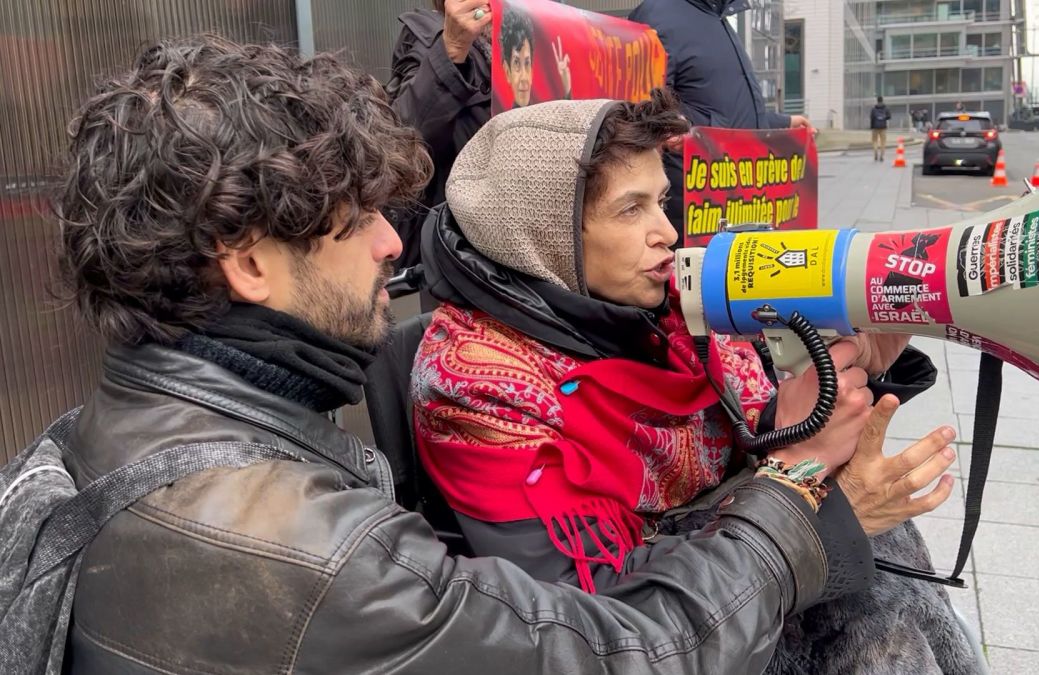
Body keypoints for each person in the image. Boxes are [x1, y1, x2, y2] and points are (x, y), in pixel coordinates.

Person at [51, 35, 906, 673]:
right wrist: (794, 494)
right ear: (248, 263)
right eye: (358, 220)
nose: (393, 243)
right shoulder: (312, 546)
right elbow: (609, 649)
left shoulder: (123, 431)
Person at [413, 91, 979, 672]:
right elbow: (585, 619)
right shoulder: (474, 381)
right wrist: (802, 478)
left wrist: (847, 373)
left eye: (661, 201)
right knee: (865, 569)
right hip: (658, 636)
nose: (667, 231)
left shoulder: (660, 308)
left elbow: (754, 431)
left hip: (730, 575)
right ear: (543, 235)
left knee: (874, 535)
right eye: (630, 210)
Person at [627, 0, 815, 239]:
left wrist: (783, 122)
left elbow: (728, 110)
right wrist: (674, 127)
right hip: (695, 199)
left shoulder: (715, 17)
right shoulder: (659, 14)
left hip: (731, 191)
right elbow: (645, 106)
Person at [385, 0, 492, 270]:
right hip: (460, 256)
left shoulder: (529, 38)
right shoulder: (430, 38)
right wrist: (452, 50)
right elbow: (400, 142)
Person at [499, 4, 571, 110]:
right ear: (507, 72)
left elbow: (563, 118)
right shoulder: (502, 117)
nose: (524, 78)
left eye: (527, 63)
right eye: (516, 63)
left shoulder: (541, 111)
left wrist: (567, 88)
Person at [871, 96, 891, 161]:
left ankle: (875, 152)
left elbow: (871, 118)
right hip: (883, 127)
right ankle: (881, 155)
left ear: (877, 101)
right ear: (882, 100)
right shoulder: (886, 108)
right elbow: (889, 117)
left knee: (875, 141)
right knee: (883, 142)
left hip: (875, 127)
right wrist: (884, 118)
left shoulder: (874, 109)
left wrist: (872, 127)